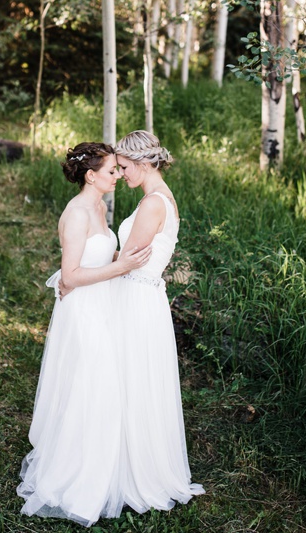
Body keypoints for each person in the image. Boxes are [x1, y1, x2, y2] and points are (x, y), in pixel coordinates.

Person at [18, 142, 152, 526]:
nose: (118, 175)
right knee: (94, 384)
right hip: (84, 311)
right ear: (90, 176)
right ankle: (78, 473)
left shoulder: (98, 205)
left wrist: (121, 263)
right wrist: (121, 265)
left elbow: (93, 261)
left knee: (102, 385)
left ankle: (106, 465)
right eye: (112, 170)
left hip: (102, 304)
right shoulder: (77, 213)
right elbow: (72, 276)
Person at [111, 130, 204, 513]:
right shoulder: (162, 198)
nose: (120, 174)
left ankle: (130, 470)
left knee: (129, 380)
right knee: (133, 380)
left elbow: (125, 261)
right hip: (144, 295)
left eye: (124, 166)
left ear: (144, 162)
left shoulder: (153, 204)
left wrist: (80, 269)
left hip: (135, 296)